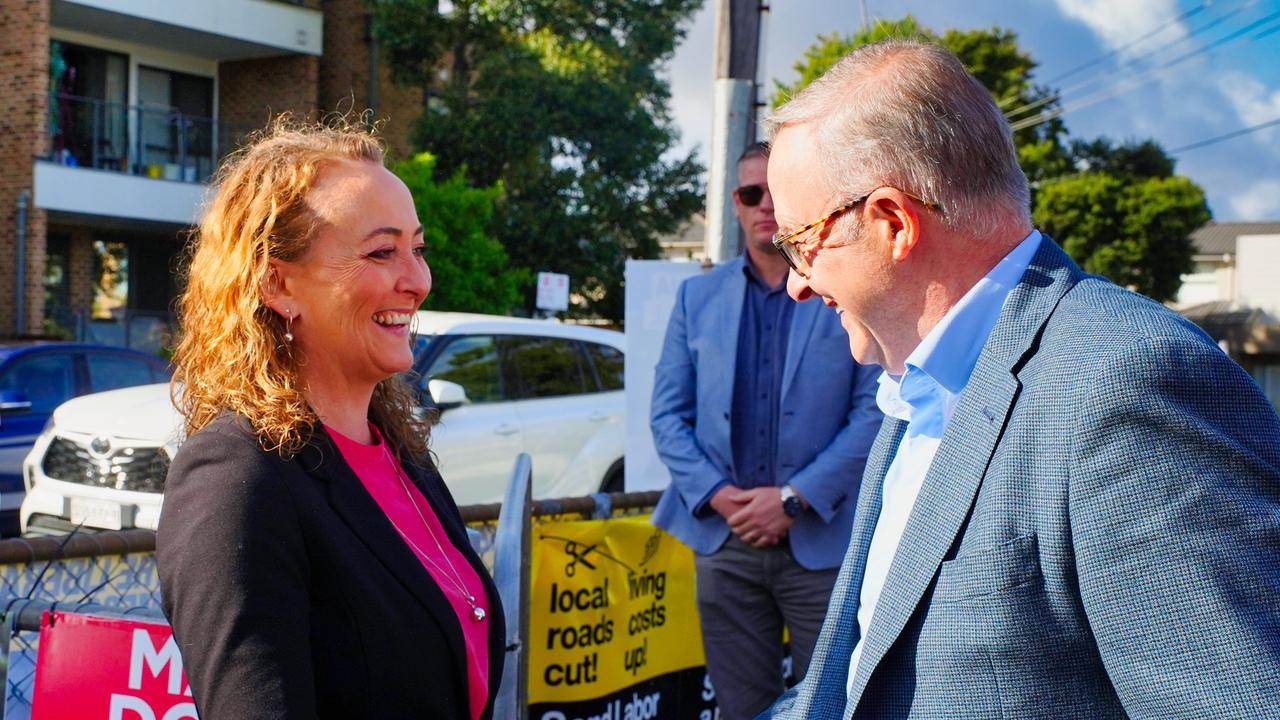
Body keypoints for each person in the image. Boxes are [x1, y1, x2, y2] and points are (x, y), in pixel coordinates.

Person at [759, 39, 1280, 719]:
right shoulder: (919, 392)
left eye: (800, 243)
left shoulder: (1125, 382)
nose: (797, 284)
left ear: (892, 221)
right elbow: (854, 680)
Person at [156, 120, 505, 719]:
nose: (417, 280)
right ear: (277, 284)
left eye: (417, 249)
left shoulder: (399, 452)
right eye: (381, 251)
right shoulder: (236, 477)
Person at [650, 142, 882, 720]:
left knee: (837, 705)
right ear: (735, 203)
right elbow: (667, 415)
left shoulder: (841, 286)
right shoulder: (697, 296)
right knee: (741, 709)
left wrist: (793, 500)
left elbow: (874, 410)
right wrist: (722, 498)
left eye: (776, 192)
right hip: (724, 542)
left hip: (821, 541)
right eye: (751, 194)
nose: (765, 206)